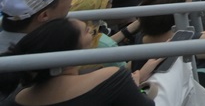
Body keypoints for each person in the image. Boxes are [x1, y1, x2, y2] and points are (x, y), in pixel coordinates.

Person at [2, 17, 151, 106]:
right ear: (70, 49)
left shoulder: (15, 98)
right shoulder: (113, 79)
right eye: (87, 31)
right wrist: (136, 86)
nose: (93, 32)